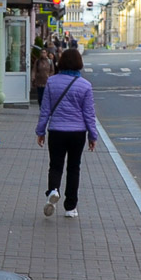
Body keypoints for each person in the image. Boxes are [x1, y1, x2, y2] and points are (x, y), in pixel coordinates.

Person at [36, 47, 98, 219]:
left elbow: (45, 110)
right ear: (79, 63)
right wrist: (93, 136)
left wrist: (40, 131)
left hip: (56, 131)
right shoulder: (85, 86)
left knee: (55, 165)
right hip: (78, 133)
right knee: (73, 168)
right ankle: (70, 207)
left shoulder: (51, 82)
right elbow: (89, 114)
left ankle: (53, 190)